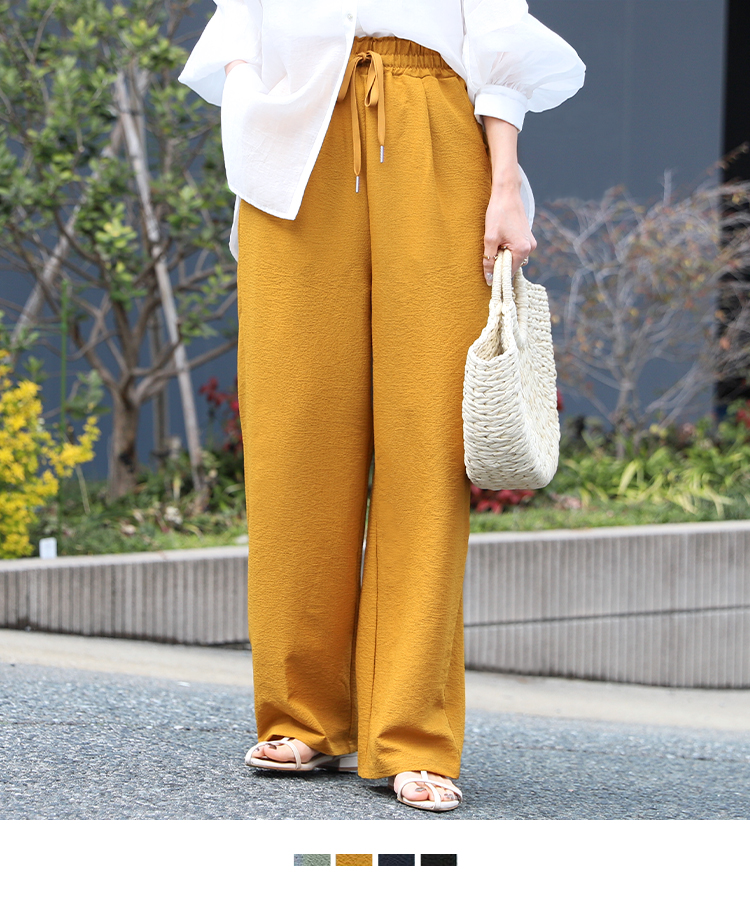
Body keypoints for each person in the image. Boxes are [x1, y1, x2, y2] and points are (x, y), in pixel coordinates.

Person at [179, 0, 584, 813]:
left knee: (427, 443)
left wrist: (504, 180)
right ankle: (303, 713)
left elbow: (497, 29)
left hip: (433, 123)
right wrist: (252, 121)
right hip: (297, 130)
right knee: (294, 430)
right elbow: (240, 24)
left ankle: (413, 734)